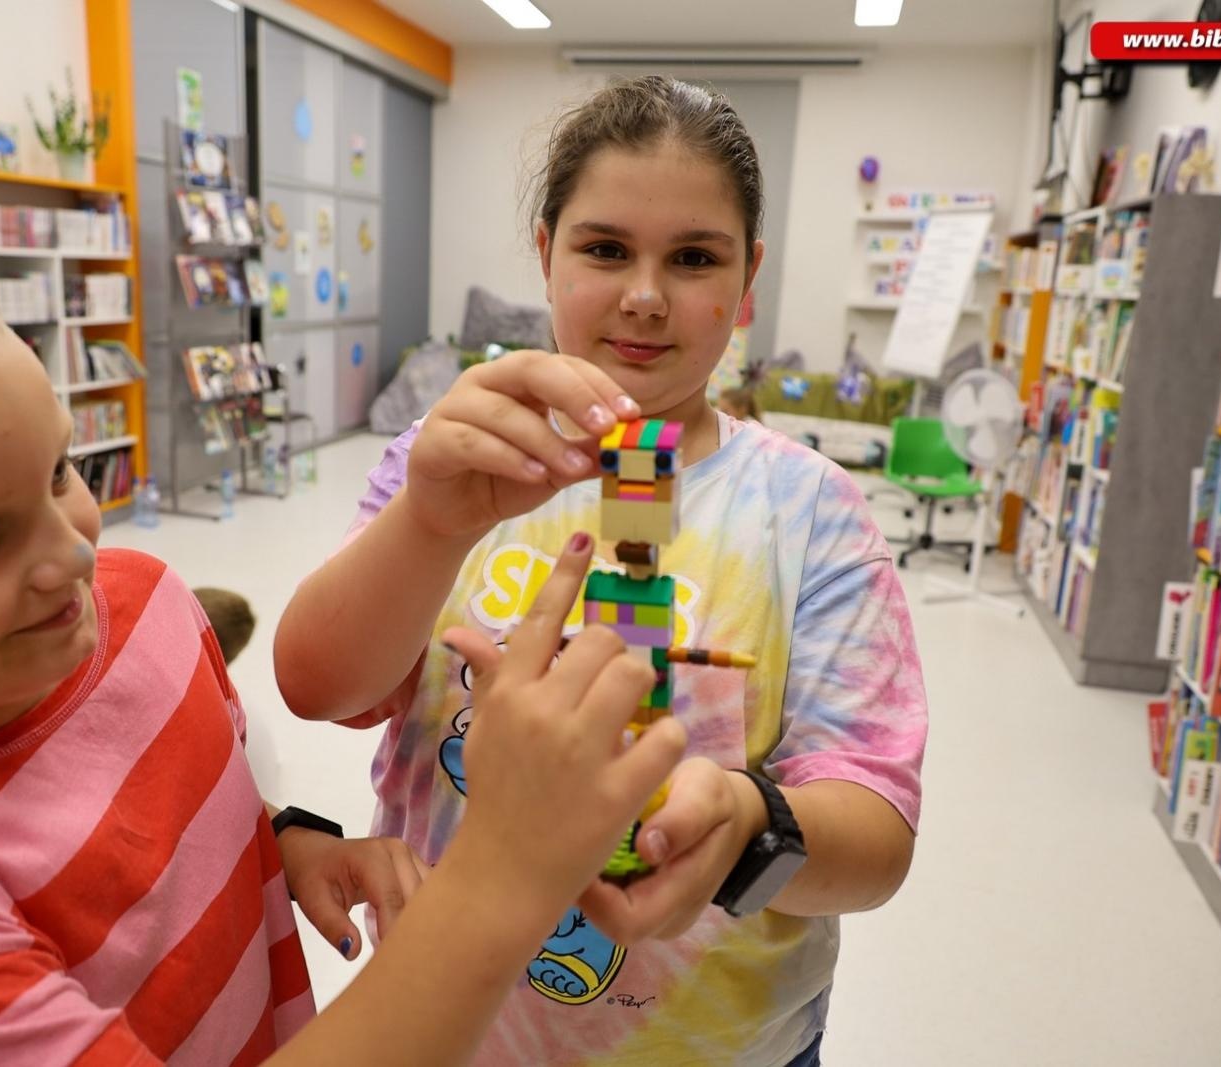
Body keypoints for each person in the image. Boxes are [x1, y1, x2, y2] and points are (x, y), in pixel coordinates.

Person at [0, 228, 684, 1065]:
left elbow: (178, 799)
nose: (75, 553)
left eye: (59, 471)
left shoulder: (142, 605)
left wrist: (282, 841)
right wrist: (506, 869)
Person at [275, 75, 928, 1065]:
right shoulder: (444, 463)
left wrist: (748, 819)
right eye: (606, 248)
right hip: (449, 1030)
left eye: (694, 257)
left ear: (747, 274)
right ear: (546, 253)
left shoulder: (810, 513)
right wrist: (427, 523)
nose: (645, 296)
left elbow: (875, 837)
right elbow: (318, 685)